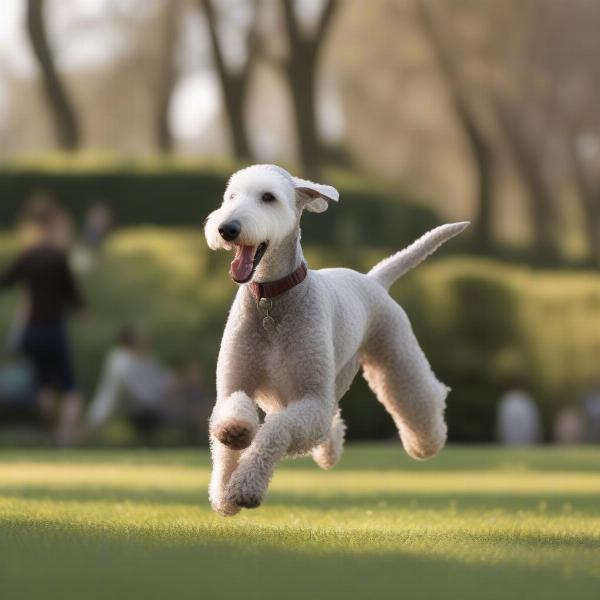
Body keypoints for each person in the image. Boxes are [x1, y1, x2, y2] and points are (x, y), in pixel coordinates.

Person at [0, 195, 85, 445]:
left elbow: (6, 282)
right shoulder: (57, 257)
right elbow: (72, 294)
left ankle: (52, 431)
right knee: (70, 388)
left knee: (44, 386)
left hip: (32, 330)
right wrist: (81, 310)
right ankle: (66, 437)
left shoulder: (28, 256)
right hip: (54, 328)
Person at [86, 326, 177, 445]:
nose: (144, 340)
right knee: (93, 425)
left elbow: (159, 378)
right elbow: (135, 389)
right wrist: (160, 394)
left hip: (144, 405)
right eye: (140, 338)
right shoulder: (120, 359)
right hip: (132, 407)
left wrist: (170, 383)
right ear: (132, 340)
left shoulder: (144, 358)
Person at [496, 378, 543, 445]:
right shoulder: (527, 400)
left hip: (510, 442)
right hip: (524, 442)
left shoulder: (506, 400)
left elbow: (500, 425)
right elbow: (534, 424)